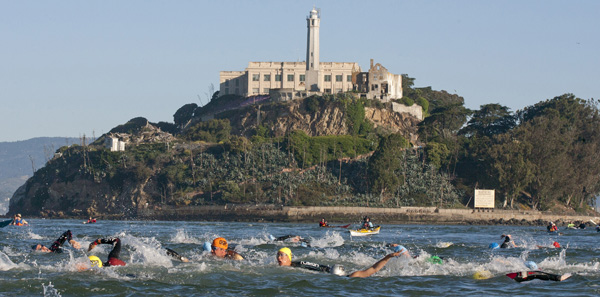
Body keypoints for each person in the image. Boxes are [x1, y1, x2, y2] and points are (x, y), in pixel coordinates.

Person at [276, 246, 405, 278]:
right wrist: (388, 256)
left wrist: (388, 257)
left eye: (282, 255)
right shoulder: (297, 265)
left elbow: (373, 270)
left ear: (288, 257)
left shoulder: (351, 276)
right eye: (278, 255)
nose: (279, 258)